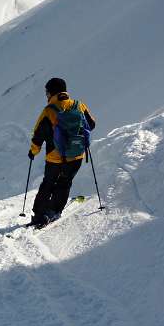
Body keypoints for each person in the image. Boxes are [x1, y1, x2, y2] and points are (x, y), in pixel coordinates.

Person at [28, 78, 96, 228]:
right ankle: (53, 211)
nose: (46, 95)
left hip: (55, 158)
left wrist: (33, 151)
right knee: (65, 183)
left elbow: (38, 135)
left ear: (51, 92)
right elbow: (91, 124)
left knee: (48, 184)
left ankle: (39, 214)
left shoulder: (49, 110)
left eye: (47, 92)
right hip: (76, 155)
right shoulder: (79, 105)